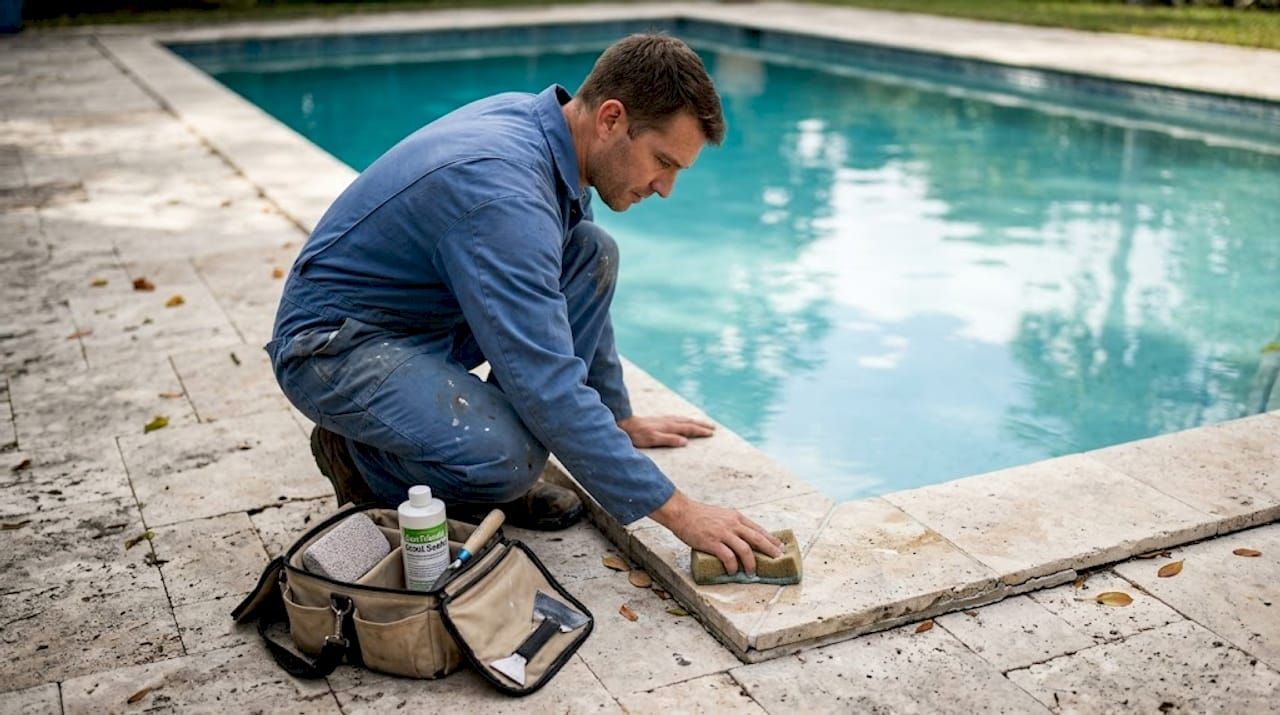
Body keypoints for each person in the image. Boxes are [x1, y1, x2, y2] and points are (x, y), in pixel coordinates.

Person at [267, 33, 780, 575]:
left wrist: (616, 417)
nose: (666, 187)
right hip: (334, 347)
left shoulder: (549, 130)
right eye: (663, 161)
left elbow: (570, 291)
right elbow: (546, 383)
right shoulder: (504, 195)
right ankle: (361, 461)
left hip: (420, 320)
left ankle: (459, 459)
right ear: (610, 118)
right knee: (508, 458)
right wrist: (678, 511)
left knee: (589, 250)